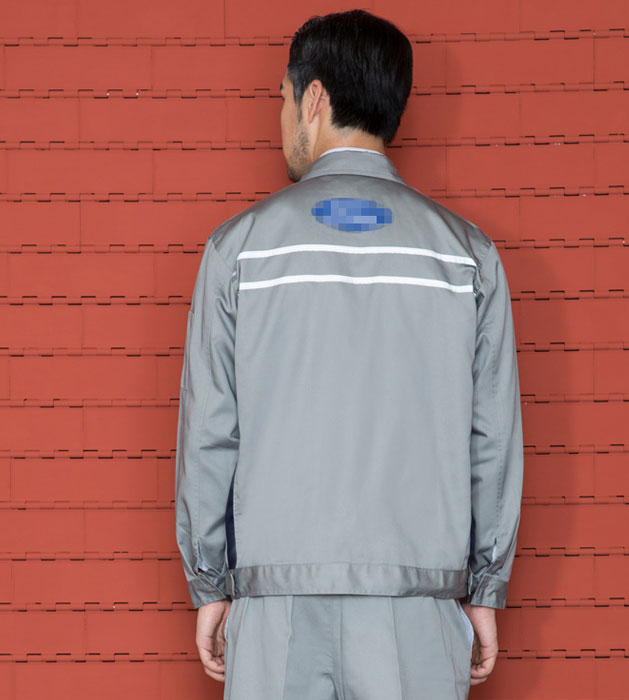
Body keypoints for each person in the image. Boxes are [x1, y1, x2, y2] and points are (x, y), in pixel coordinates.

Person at [175, 9, 524, 700]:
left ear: (314, 98)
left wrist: (209, 584)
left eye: (282, 99)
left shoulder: (239, 251)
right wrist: (485, 590)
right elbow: (492, 436)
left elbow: (211, 431)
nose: (281, 119)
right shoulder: (466, 257)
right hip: (419, 606)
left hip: (274, 606)